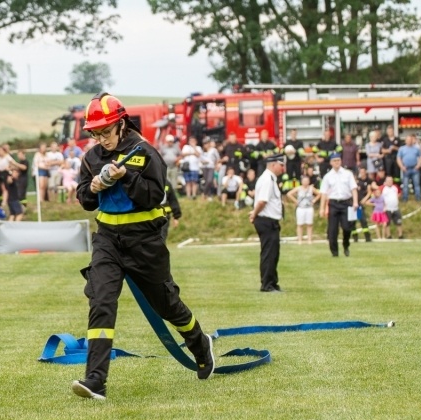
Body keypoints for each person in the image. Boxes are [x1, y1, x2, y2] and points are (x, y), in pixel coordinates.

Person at [73, 92, 216, 400]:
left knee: (168, 306)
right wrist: (93, 188)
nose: (101, 138)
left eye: (105, 131)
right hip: (108, 239)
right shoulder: (92, 157)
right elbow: (83, 198)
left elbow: (154, 196)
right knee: (101, 302)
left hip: (145, 241)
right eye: (95, 133)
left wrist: (125, 178)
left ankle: (199, 343)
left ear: (121, 125)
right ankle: (95, 379)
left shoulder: (145, 153)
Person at [249, 154, 284, 291]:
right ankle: (267, 284)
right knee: (269, 253)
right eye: (280, 165)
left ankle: (273, 282)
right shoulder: (267, 179)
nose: (282, 168)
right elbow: (262, 201)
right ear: (273, 165)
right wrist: (254, 214)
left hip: (270, 221)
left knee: (273, 253)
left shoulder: (270, 179)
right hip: (266, 220)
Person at [319, 152, 358, 257]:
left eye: (338, 160)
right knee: (332, 230)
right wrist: (322, 208)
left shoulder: (348, 174)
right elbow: (323, 193)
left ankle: (346, 245)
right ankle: (334, 252)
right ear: (331, 162)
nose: (337, 162)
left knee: (347, 227)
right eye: (335, 161)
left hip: (346, 203)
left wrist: (355, 202)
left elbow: (353, 189)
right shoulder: (327, 176)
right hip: (333, 204)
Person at [286, 174, 320, 245]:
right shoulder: (298, 188)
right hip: (301, 208)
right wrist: (295, 201)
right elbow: (289, 194)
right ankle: (300, 239)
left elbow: (319, 194)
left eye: (307, 181)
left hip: (309, 208)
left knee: (309, 224)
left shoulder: (311, 188)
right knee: (300, 224)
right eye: (304, 181)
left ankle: (309, 239)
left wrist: (314, 200)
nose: (305, 182)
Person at [397, 135, 421, 202]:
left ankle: (418, 198)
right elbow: (398, 158)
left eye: (410, 140)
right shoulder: (401, 149)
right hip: (406, 169)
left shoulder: (416, 148)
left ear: (412, 141)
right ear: (405, 141)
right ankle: (405, 198)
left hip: (415, 168)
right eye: (408, 140)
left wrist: (418, 165)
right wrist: (402, 167)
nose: (409, 141)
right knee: (405, 185)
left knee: (417, 184)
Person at [352, 167, 373, 243]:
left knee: (363, 221)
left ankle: (367, 237)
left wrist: (364, 199)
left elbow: (368, 191)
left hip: (359, 206)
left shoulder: (360, 183)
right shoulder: (347, 186)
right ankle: (355, 237)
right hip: (351, 206)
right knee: (352, 223)